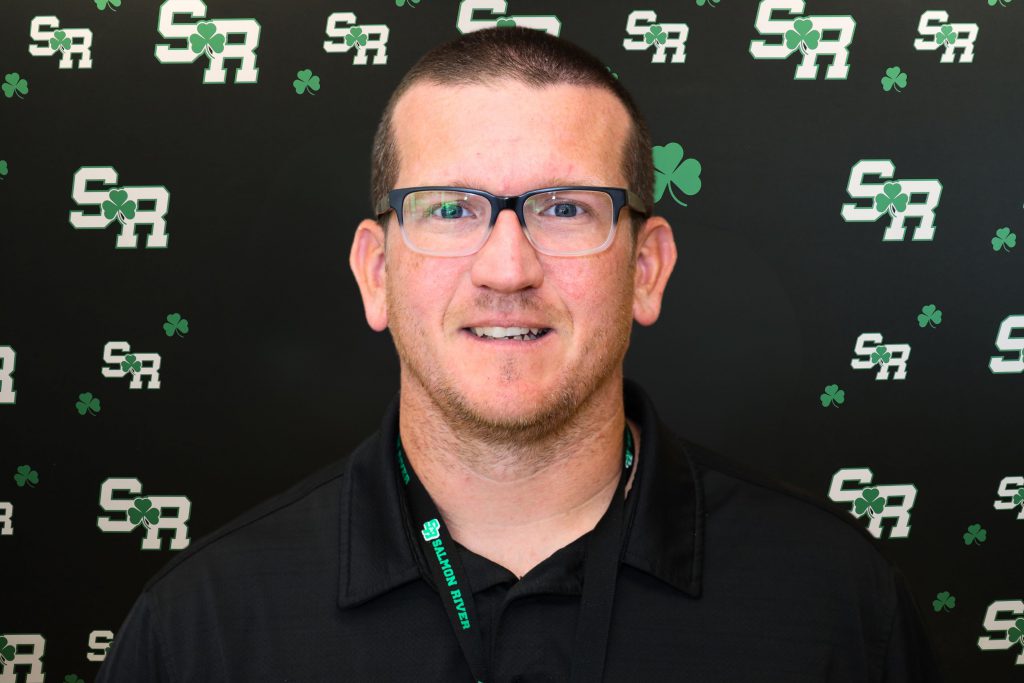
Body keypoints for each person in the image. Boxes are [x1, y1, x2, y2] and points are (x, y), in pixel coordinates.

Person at [97, 27, 942, 682]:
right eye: (451, 210)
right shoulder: (202, 624)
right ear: (375, 272)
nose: (508, 266)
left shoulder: (835, 601)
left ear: (645, 270)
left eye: (566, 209)